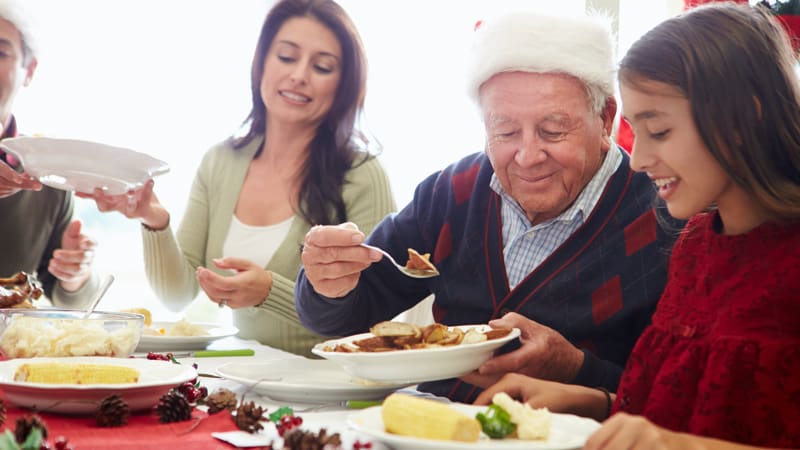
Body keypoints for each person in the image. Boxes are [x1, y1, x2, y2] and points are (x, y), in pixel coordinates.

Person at [296, 10, 682, 402]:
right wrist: (328, 283)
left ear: (605, 119)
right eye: (506, 131)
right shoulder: (452, 192)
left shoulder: (666, 220)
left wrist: (577, 369)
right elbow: (342, 321)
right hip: (431, 428)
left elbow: (677, 401)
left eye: (553, 130)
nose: (528, 156)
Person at [476, 3, 800, 449]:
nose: (641, 159)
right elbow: (671, 413)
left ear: (743, 118)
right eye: (636, 131)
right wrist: (588, 401)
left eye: (660, 132)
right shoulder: (695, 247)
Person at [81, 0, 395, 357]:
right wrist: (155, 221)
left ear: (343, 84)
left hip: (334, 389)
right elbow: (178, 294)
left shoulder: (362, 174)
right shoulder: (220, 161)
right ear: (261, 64)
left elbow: (376, 321)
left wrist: (270, 293)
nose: (299, 75)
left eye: (322, 66)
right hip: (247, 377)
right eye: (287, 57)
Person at [0, 0, 99, 307]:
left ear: (28, 70)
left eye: (0, 53)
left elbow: (67, 303)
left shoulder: (46, 175)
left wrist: (74, 275)